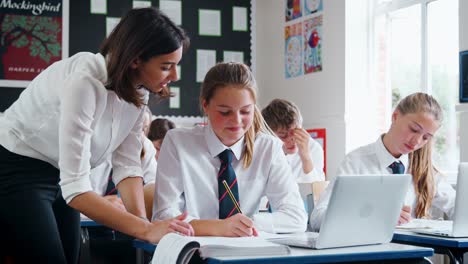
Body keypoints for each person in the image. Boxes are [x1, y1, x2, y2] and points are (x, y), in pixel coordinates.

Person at [0, 7, 193, 263]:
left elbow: (127, 166)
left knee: (72, 257)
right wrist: (146, 230)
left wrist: (144, 226)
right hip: (17, 165)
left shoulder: (139, 91)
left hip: (58, 173)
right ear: (135, 59)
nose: (175, 76)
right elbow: (77, 187)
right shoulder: (85, 82)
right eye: (166, 66)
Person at [153, 62, 307, 236]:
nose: (236, 121)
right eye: (225, 112)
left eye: (245, 111)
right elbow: (163, 217)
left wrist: (246, 224)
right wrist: (219, 227)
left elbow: (296, 217)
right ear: (206, 106)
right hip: (193, 252)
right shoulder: (177, 142)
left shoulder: (268, 147)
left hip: (245, 253)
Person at [309, 92, 456, 231]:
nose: (417, 141)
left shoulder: (424, 169)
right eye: (413, 129)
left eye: (426, 137)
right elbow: (317, 219)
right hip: (370, 253)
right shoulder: (356, 162)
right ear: (395, 116)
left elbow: (457, 207)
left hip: (412, 253)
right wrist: (374, 215)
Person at [262, 99, 325, 183]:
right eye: (283, 135)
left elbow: (317, 191)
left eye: (295, 132)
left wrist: (306, 157)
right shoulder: (263, 149)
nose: (291, 139)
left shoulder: (314, 148)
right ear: (269, 134)